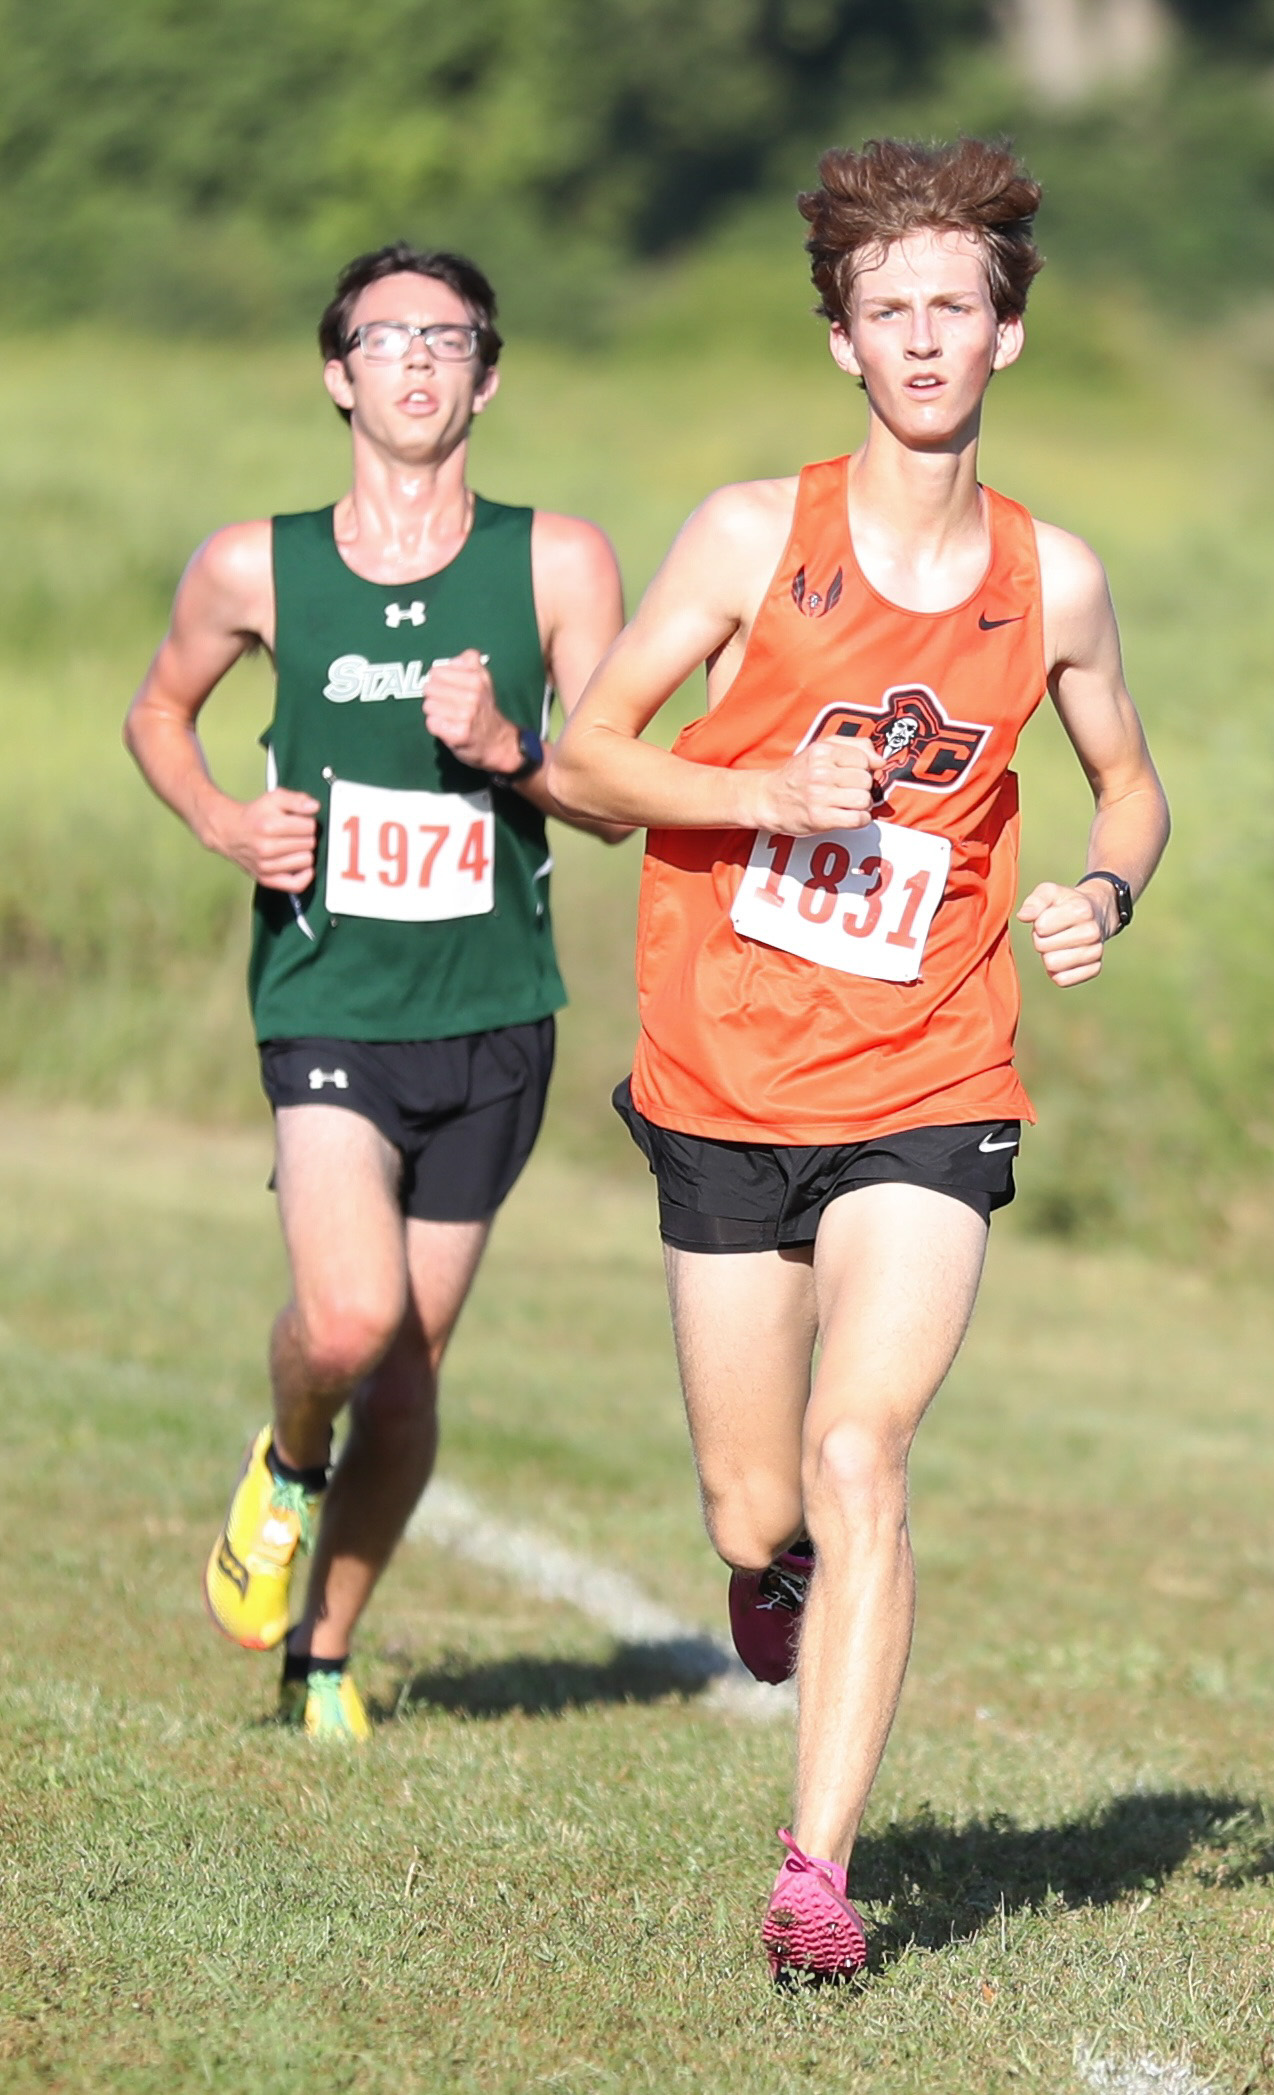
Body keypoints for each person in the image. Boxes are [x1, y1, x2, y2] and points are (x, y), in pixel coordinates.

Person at [548, 138, 1170, 1979]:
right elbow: (585, 761)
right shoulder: (753, 534)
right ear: (840, 341)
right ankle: (777, 1569)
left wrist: (1102, 892)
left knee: (859, 1446)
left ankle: (814, 1874)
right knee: (757, 1506)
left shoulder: (1055, 580)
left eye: (950, 307)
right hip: (725, 1074)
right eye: (884, 309)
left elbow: (1128, 784)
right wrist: (761, 791)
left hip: (932, 1077)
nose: (919, 337)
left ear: (1004, 336)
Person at [125, 242, 626, 1741]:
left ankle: (323, 1656)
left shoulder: (557, 562)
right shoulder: (253, 564)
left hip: (495, 1017)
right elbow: (159, 712)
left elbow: (615, 798)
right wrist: (224, 821)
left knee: (407, 1381)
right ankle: (287, 1464)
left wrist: (510, 751)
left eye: (448, 337)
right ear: (338, 376)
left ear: (489, 377)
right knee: (346, 1325)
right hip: (328, 998)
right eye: (386, 337)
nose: (416, 358)